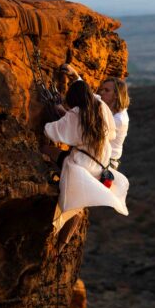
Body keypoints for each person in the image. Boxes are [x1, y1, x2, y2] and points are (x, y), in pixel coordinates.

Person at [45, 79, 129, 234]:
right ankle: (62, 243)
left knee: (46, 151)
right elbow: (109, 134)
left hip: (83, 165)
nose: (101, 93)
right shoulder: (102, 107)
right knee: (79, 205)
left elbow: (51, 131)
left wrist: (59, 113)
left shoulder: (76, 113)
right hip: (102, 164)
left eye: (107, 90)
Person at [96, 77, 130, 169]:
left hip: (106, 164)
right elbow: (90, 98)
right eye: (101, 89)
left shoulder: (119, 119)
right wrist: (76, 77)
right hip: (100, 160)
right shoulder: (111, 110)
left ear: (116, 95)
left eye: (106, 90)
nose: (101, 92)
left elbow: (90, 128)